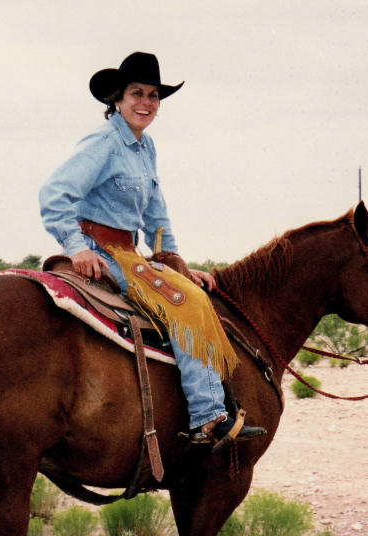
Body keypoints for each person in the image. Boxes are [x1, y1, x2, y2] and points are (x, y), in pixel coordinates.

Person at [39, 51, 265, 444]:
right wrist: (76, 247)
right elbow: (55, 193)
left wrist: (176, 263)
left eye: (153, 96)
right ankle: (208, 415)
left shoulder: (146, 148)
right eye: (136, 94)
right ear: (117, 100)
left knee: (187, 288)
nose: (145, 102)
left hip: (129, 252)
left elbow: (157, 218)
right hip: (104, 250)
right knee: (188, 303)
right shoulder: (104, 143)